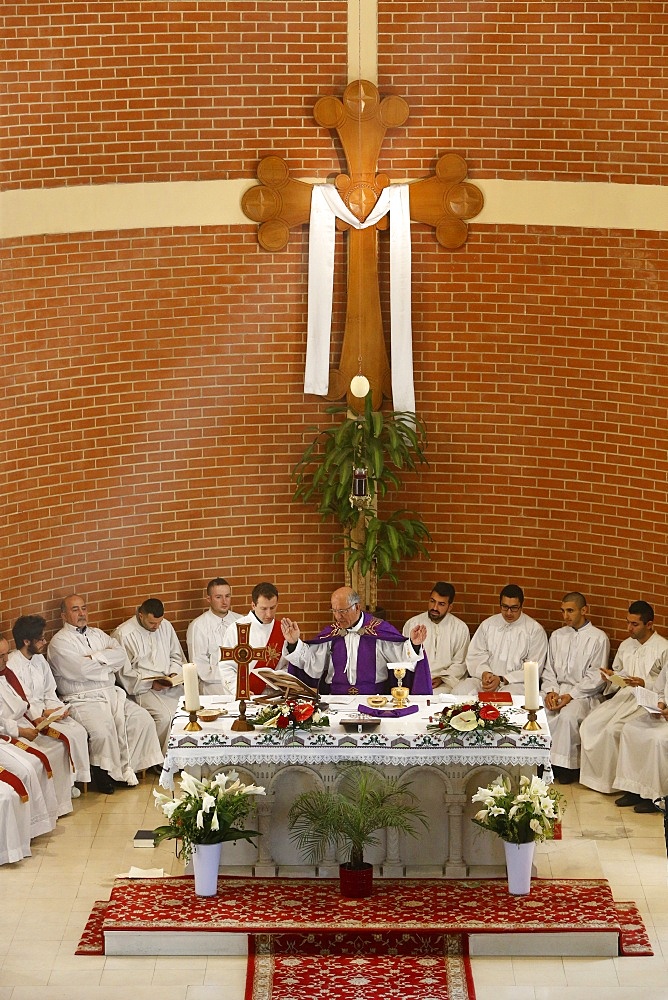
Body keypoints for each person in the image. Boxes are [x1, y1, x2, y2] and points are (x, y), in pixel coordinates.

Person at [48, 594, 163, 793]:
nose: (81, 613)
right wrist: (105, 663)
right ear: (63, 615)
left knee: (142, 719)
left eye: (83, 608)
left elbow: (120, 655)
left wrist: (94, 658)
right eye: (75, 610)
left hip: (110, 693)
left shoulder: (97, 634)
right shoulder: (59, 642)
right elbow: (80, 670)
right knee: (103, 731)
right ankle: (103, 772)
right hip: (84, 698)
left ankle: (127, 769)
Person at [579, 600, 668, 808]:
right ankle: (600, 781)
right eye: (627, 623)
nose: (629, 628)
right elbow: (619, 672)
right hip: (623, 697)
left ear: (649, 624)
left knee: (612, 731)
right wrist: (611, 678)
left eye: (634, 624)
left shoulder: (663, 647)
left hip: (644, 700)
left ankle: (620, 785)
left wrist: (644, 682)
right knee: (590, 725)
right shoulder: (627, 645)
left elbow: (661, 684)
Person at [281, 586, 431, 696]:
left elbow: (401, 657)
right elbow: (311, 661)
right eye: (334, 611)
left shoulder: (378, 629)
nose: (338, 616)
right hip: (336, 700)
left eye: (343, 611)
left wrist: (414, 644)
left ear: (357, 607)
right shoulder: (332, 633)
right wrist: (294, 642)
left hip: (374, 700)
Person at [8, 615, 91, 793]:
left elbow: (49, 690)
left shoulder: (39, 659)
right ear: (26, 641)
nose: (44, 642)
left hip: (48, 710)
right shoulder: (13, 665)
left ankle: (75, 780)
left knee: (78, 730)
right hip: (31, 716)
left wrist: (59, 709)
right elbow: (24, 701)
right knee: (64, 740)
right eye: (40, 639)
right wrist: (46, 713)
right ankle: (65, 787)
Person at [0, 635, 72, 817]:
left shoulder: (7, 673)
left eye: (6, 653)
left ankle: (57, 805)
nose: (6, 659)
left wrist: (36, 718)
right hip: (8, 732)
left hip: (23, 722)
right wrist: (20, 731)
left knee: (59, 746)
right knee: (32, 764)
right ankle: (32, 819)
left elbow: (24, 700)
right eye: (0, 656)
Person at [541, 593, 609, 783]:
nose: (565, 616)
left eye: (570, 611)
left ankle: (565, 767)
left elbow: (596, 676)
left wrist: (570, 695)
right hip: (557, 689)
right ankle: (542, 762)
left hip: (584, 694)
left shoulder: (598, 638)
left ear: (584, 610)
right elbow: (549, 669)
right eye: (563, 611)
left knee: (568, 716)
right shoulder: (557, 636)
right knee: (539, 712)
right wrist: (551, 691)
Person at [112, 598, 185, 752]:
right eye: (152, 623)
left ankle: (184, 755)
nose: (157, 627)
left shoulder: (166, 626)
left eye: (159, 622)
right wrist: (151, 683)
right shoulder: (123, 634)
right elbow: (124, 673)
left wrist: (173, 673)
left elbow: (176, 655)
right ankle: (161, 760)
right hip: (142, 688)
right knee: (166, 717)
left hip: (168, 683)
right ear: (141, 615)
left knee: (190, 709)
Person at [455, 584, 547, 695]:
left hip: (515, 684)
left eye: (514, 608)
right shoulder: (488, 625)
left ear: (521, 606)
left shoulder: (534, 630)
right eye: (504, 607)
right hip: (484, 680)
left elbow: (533, 668)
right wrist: (485, 673)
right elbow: (475, 655)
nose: (508, 612)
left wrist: (503, 679)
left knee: (508, 700)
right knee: (459, 692)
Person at [614, 655, 668, 813]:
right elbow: (660, 689)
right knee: (630, 729)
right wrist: (658, 705)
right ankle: (634, 789)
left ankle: (657, 797)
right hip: (664, 714)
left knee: (656, 739)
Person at [220, 582, 288, 695]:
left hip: (275, 695)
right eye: (263, 608)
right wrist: (238, 689)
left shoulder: (282, 630)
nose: (269, 614)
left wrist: (278, 681)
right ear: (253, 605)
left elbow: (288, 665)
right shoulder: (237, 629)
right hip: (247, 695)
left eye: (272, 607)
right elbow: (226, 666)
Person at [403, 581, 470, 692]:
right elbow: (404, 656)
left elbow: (460, 663)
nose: (434, 607)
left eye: (441, 604)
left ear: (450, 607)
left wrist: (441, 678)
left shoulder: (460, 628)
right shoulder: (413, 624)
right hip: (418, 679)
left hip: (447, 682)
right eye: (432, 601)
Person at [186, 577, 241, 695]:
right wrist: (229, 674)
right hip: (213, 686)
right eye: (218, 597)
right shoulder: (198, 626)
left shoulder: (241, 621)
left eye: (227, 596)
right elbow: (200, 666)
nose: (224, 601)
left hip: (241, 681)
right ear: (208, 599)